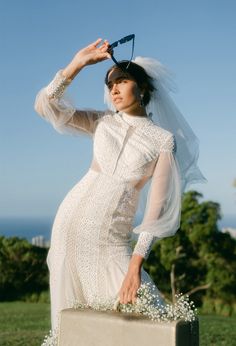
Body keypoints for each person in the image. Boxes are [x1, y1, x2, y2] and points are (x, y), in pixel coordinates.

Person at [34, 38, 206, 334]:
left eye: (122, 80)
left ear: (143, 88)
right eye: (109, 83)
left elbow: (157, 209)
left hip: (112, 240)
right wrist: (77, 64)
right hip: (68, 228)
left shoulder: (163, 140)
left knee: (152, 322)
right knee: (73, 328)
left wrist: (136, 264)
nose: (113, 88)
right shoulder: (102, 122)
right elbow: (47, 107)